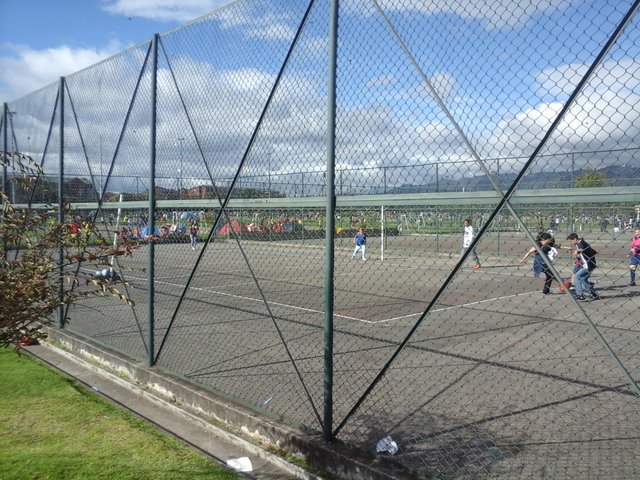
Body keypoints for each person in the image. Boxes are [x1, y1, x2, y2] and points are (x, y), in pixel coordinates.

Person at [563, 233, 600, 301]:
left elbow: (582, 249)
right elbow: (589, 251)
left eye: (571, 241)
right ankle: (594, 294)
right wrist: (578, 259)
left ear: (575, 239)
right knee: (583, 280)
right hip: (590, 264)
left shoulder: (581, 243)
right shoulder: (582, 242)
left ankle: (579, 295)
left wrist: (577, 251)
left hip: (588, 266)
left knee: (577, 277)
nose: (571, 242)